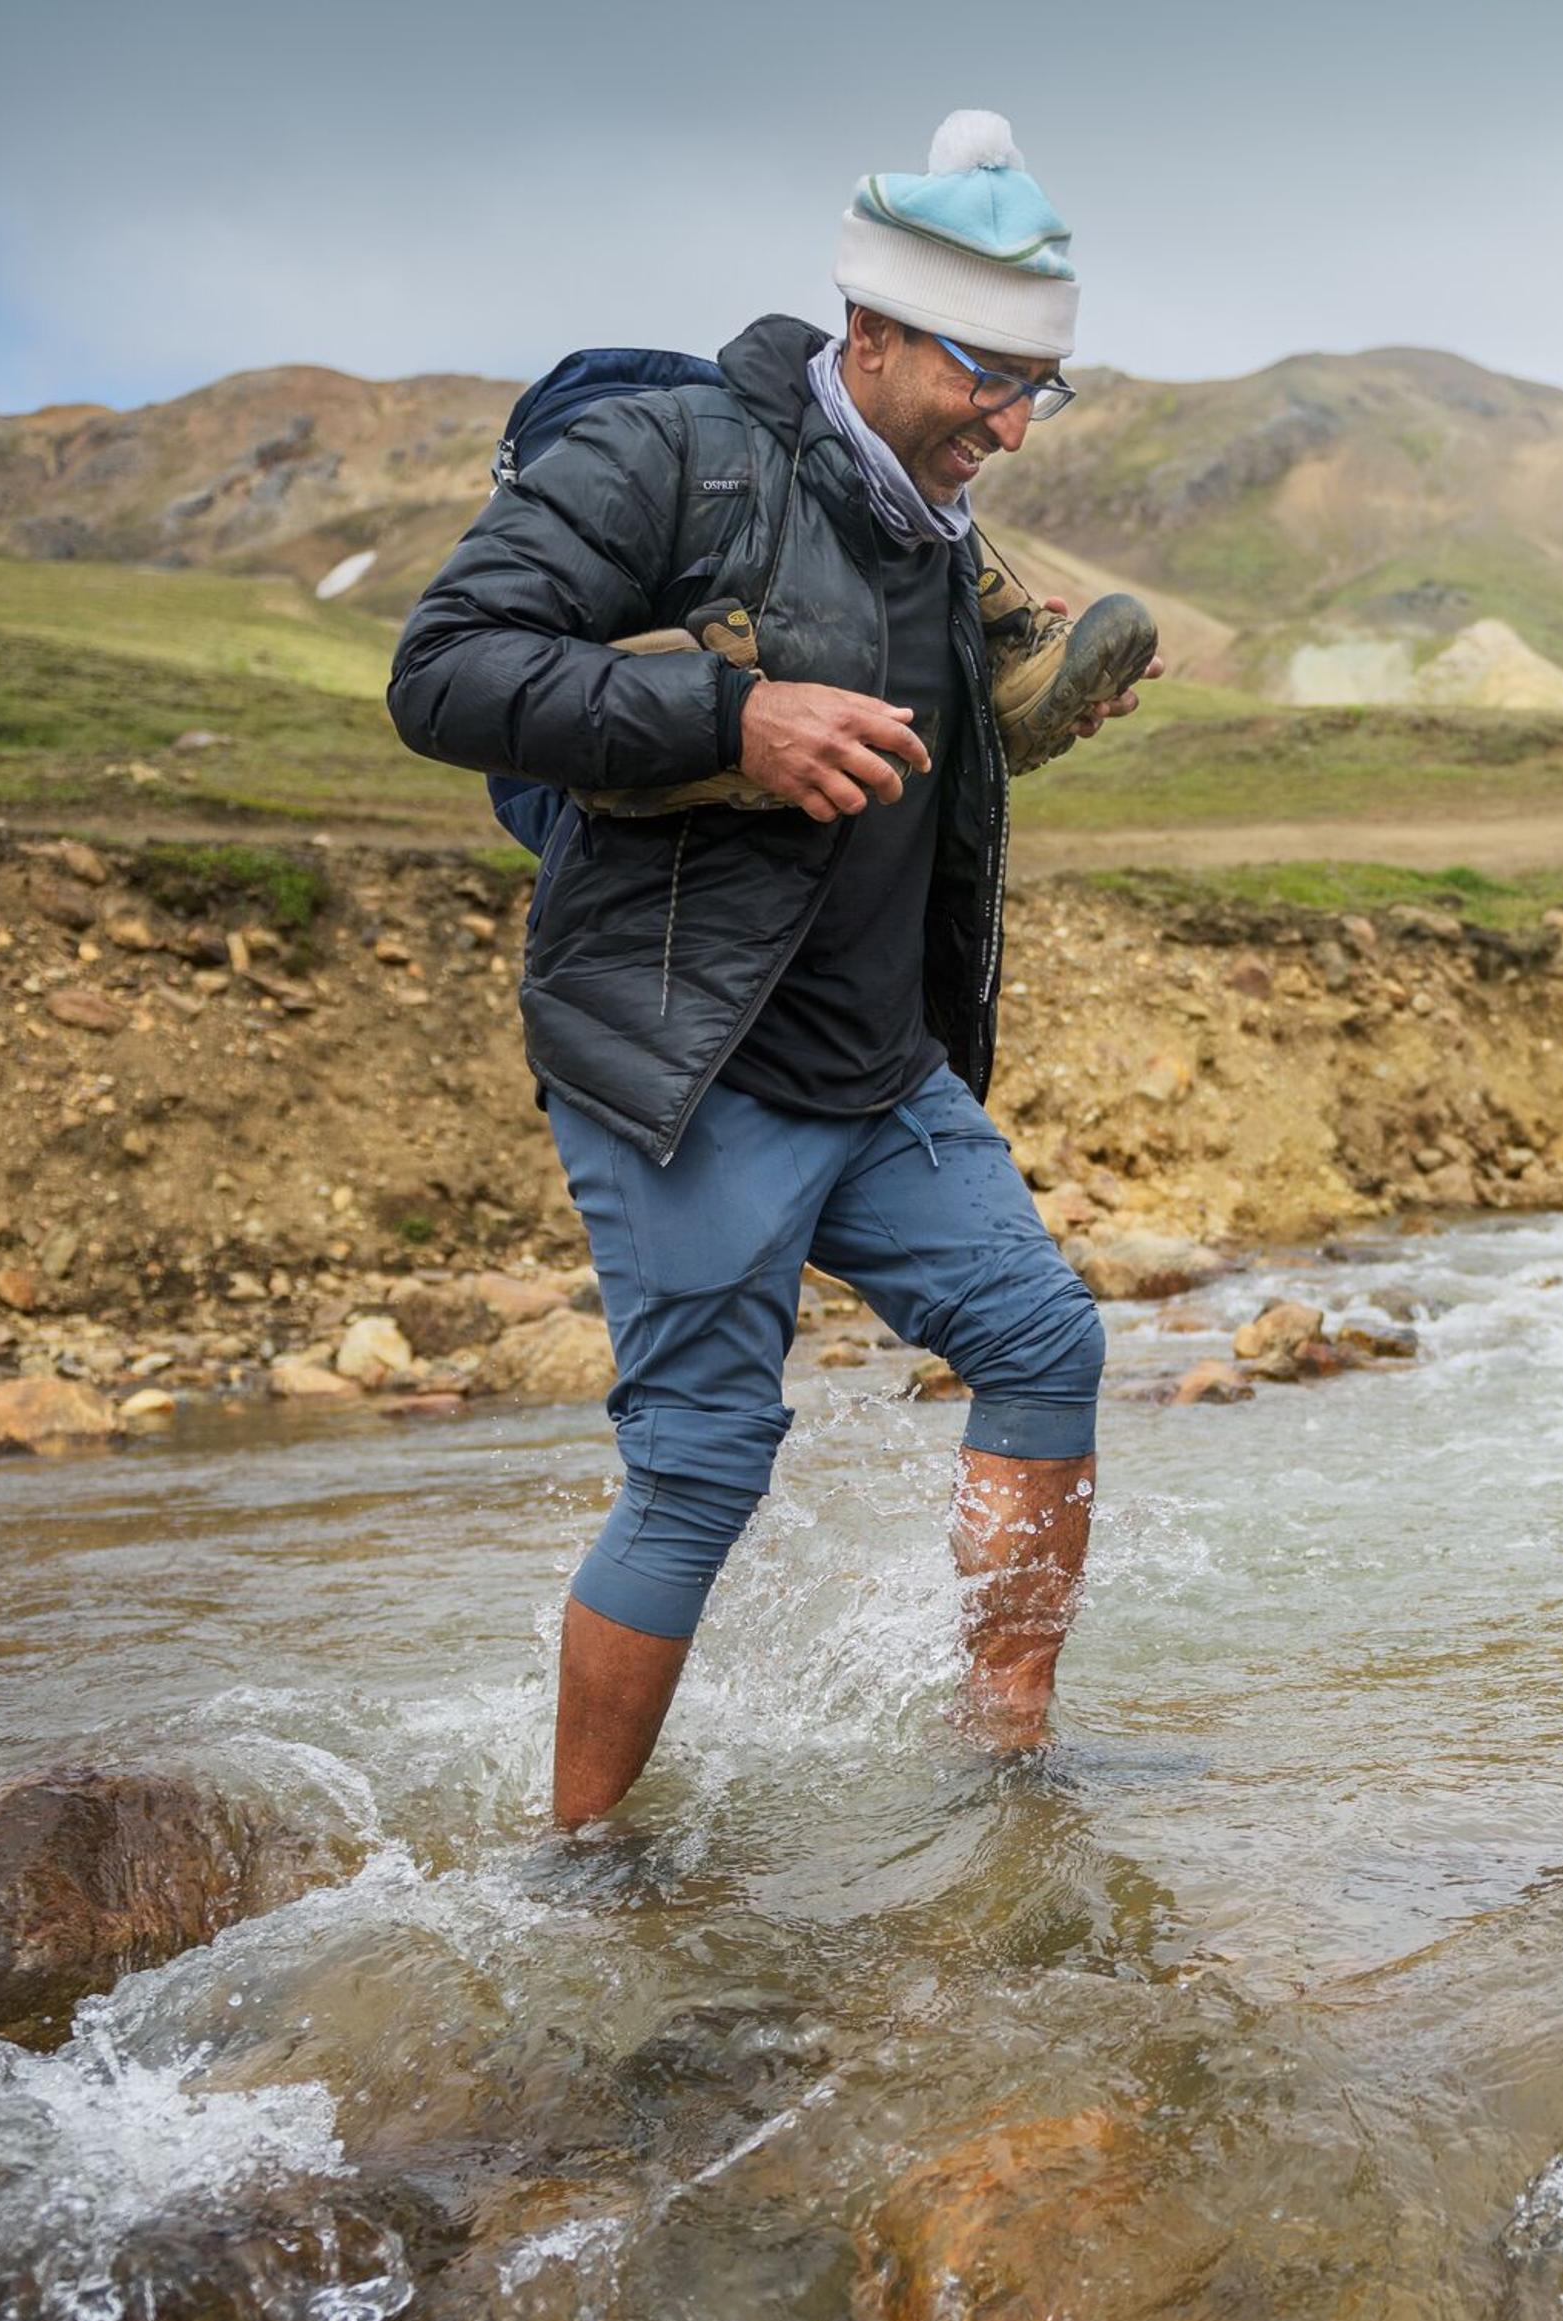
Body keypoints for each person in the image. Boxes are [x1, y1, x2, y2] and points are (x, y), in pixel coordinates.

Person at [388, 110, 1154, 1826]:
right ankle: (578, 1861)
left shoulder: (940, 528)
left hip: (876, 1069)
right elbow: (443, 671)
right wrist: (730, 715)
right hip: (688, 1063)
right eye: (991, 374)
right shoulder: (676, 455)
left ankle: (1003, 1766)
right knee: (702, 1468)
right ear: (869, 335)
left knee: (1043, 1342)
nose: (1017, 424)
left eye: (1046, 383)